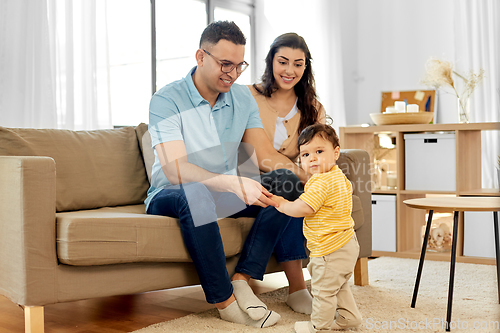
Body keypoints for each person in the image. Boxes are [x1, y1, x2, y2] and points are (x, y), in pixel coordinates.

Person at [146, 21, 310, 328]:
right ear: (200, 57)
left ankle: (241, 278)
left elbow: (260, 154)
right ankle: (224, 301)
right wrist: (234, 182)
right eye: (225, 64)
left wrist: (308, 176)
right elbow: (174, 168)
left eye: (239, 65)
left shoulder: (242, 98)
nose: (232, 74)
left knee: (286, 182)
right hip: (171, 193)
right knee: (196, 192)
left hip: (221, 192)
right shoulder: (167, 100)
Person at [248, 32, 327, 314]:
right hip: (248, 176)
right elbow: (261, 155)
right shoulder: (248, 96)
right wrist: (305, 174)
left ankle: (305, 288)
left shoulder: (313, 107)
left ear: (306, 67)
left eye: (298, 64)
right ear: (271, 62)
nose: (290, 71)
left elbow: (320, 154)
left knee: (296, 191)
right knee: (293, 185)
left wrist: (316, 176)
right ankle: (297, 288)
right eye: (283, 62)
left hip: (289, 182)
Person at [272, 124, 362, 332]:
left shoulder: (320, 182)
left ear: (336, 152)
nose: (311, 158)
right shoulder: (337, 176)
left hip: (330, 248)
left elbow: (303, 208)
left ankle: (318, 326)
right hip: (346, 243)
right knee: (337, 285)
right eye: (305, 154)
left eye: (319, 152)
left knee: (323, 290)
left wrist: (282, 203)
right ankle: (350, 316)